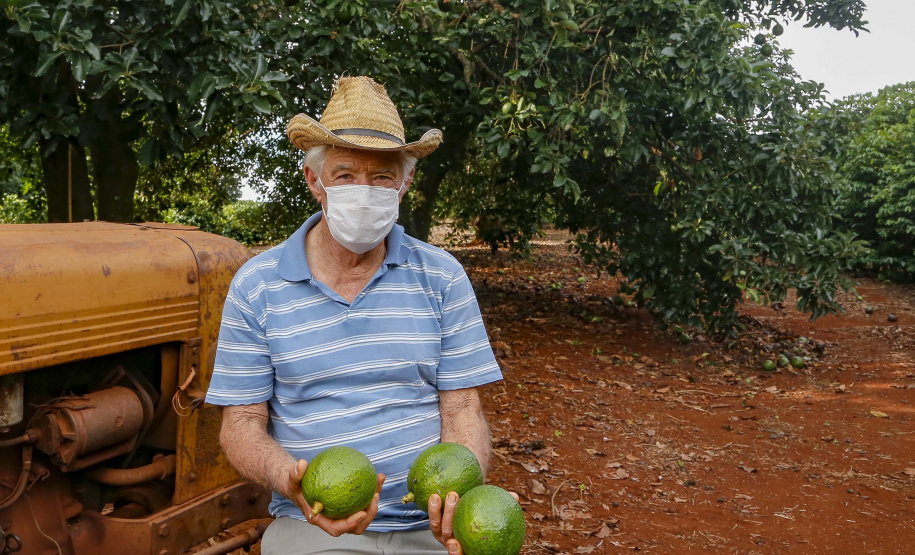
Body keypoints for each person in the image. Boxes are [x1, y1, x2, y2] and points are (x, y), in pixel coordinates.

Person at [205, 76, 504, 555]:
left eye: (382, 176)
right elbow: (240, 422)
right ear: (315, 181)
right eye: (345, 174)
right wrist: (291, 479)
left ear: (404, 184)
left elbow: (462, 408)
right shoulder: (257, 286)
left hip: (429, 527)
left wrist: (455, 499)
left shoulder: (442, 277)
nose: (364, 190)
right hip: (314, 522)